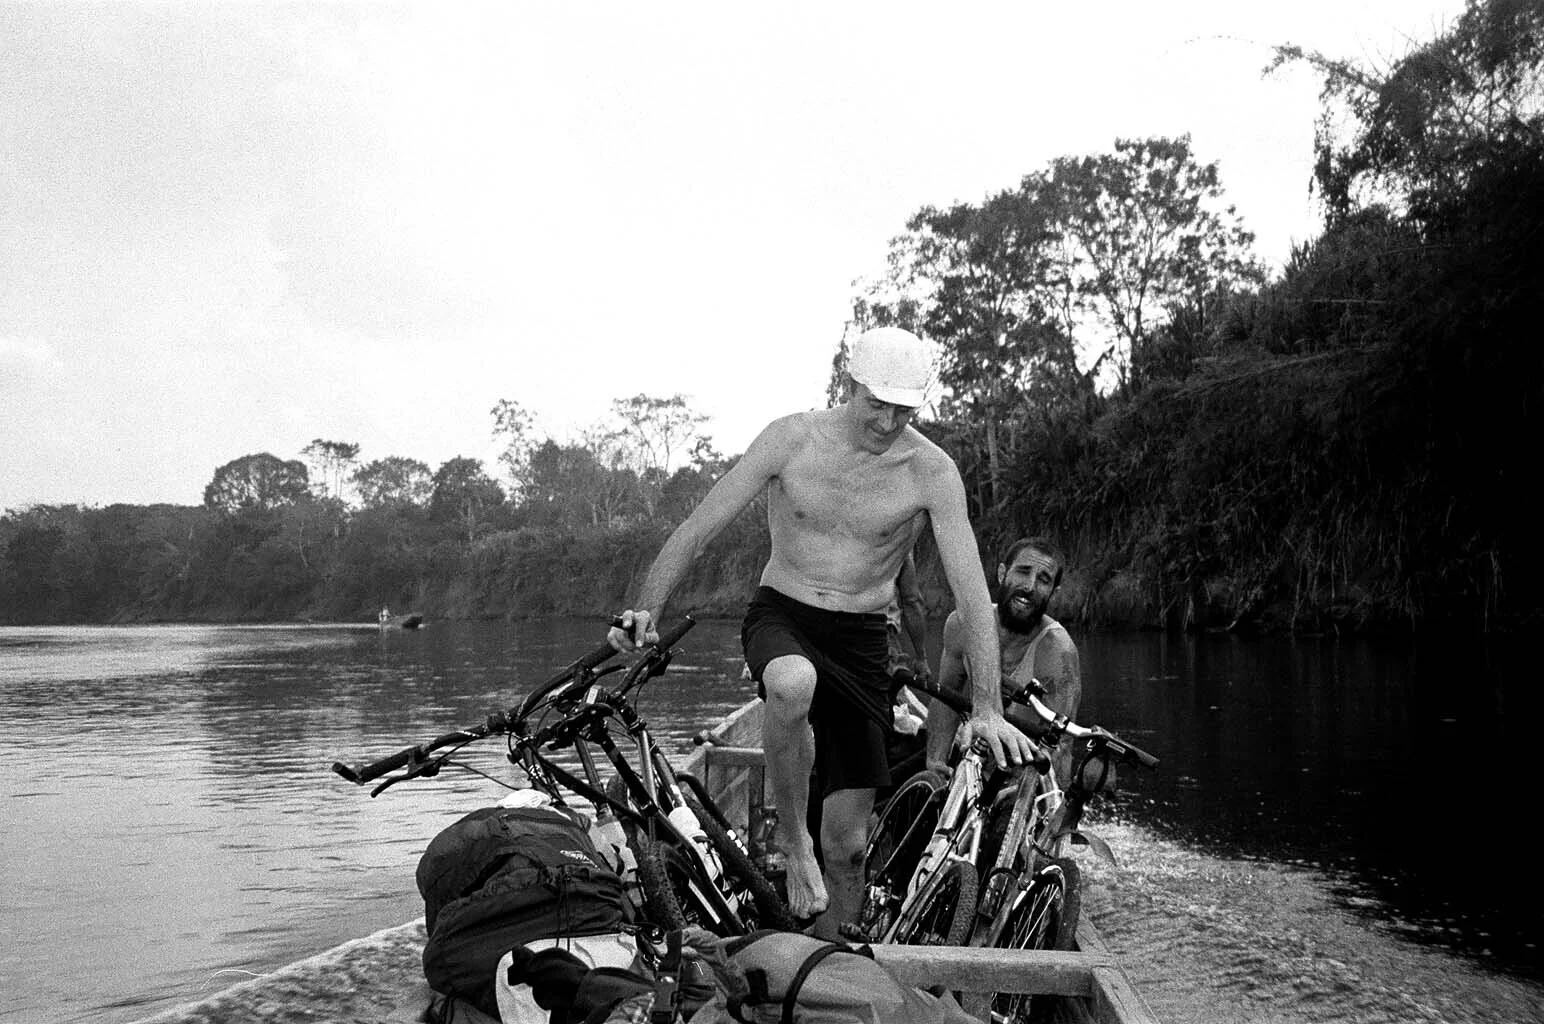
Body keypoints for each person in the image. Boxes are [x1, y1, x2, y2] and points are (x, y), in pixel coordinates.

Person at [607, 326, 1033, 937]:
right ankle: (792, 838)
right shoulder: (791, 440)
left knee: (851, 848)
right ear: (849, 383)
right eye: (875, 403)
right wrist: (645, 608)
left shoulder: (931, 472)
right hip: (785, 612)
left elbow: (970, 593)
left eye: (903, 408)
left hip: (862, 639)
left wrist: (988, 704)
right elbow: (699, 530)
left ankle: (828, 963)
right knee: (790, 683)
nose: (888, 422)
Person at [925, 536, 1082, 785]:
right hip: (973, 756)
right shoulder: (963, 625)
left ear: (1054, 592)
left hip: (1022, 772)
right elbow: (946, 697)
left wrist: (1045, 812)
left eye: (1043, 580)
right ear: (1002, 573)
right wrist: (935, 763)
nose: (1029, 586)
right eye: (1023, 572)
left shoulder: (1058, 651)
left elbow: (1061, 746)